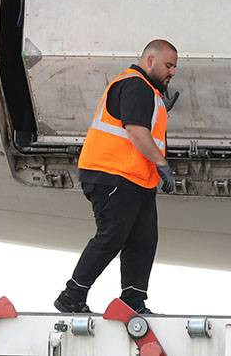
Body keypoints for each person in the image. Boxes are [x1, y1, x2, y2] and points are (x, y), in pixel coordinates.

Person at [54, 39, 179, 315]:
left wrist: (159, 107)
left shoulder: (148, 91)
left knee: (143, 241)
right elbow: (136, 131)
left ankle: (132, 301)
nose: (172, 72)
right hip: (113, 174)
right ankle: (71, 296)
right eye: (169, 65)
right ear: (150, 60)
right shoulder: (136, 85)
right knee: (112, 236)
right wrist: (162, 164)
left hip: (135, 178)